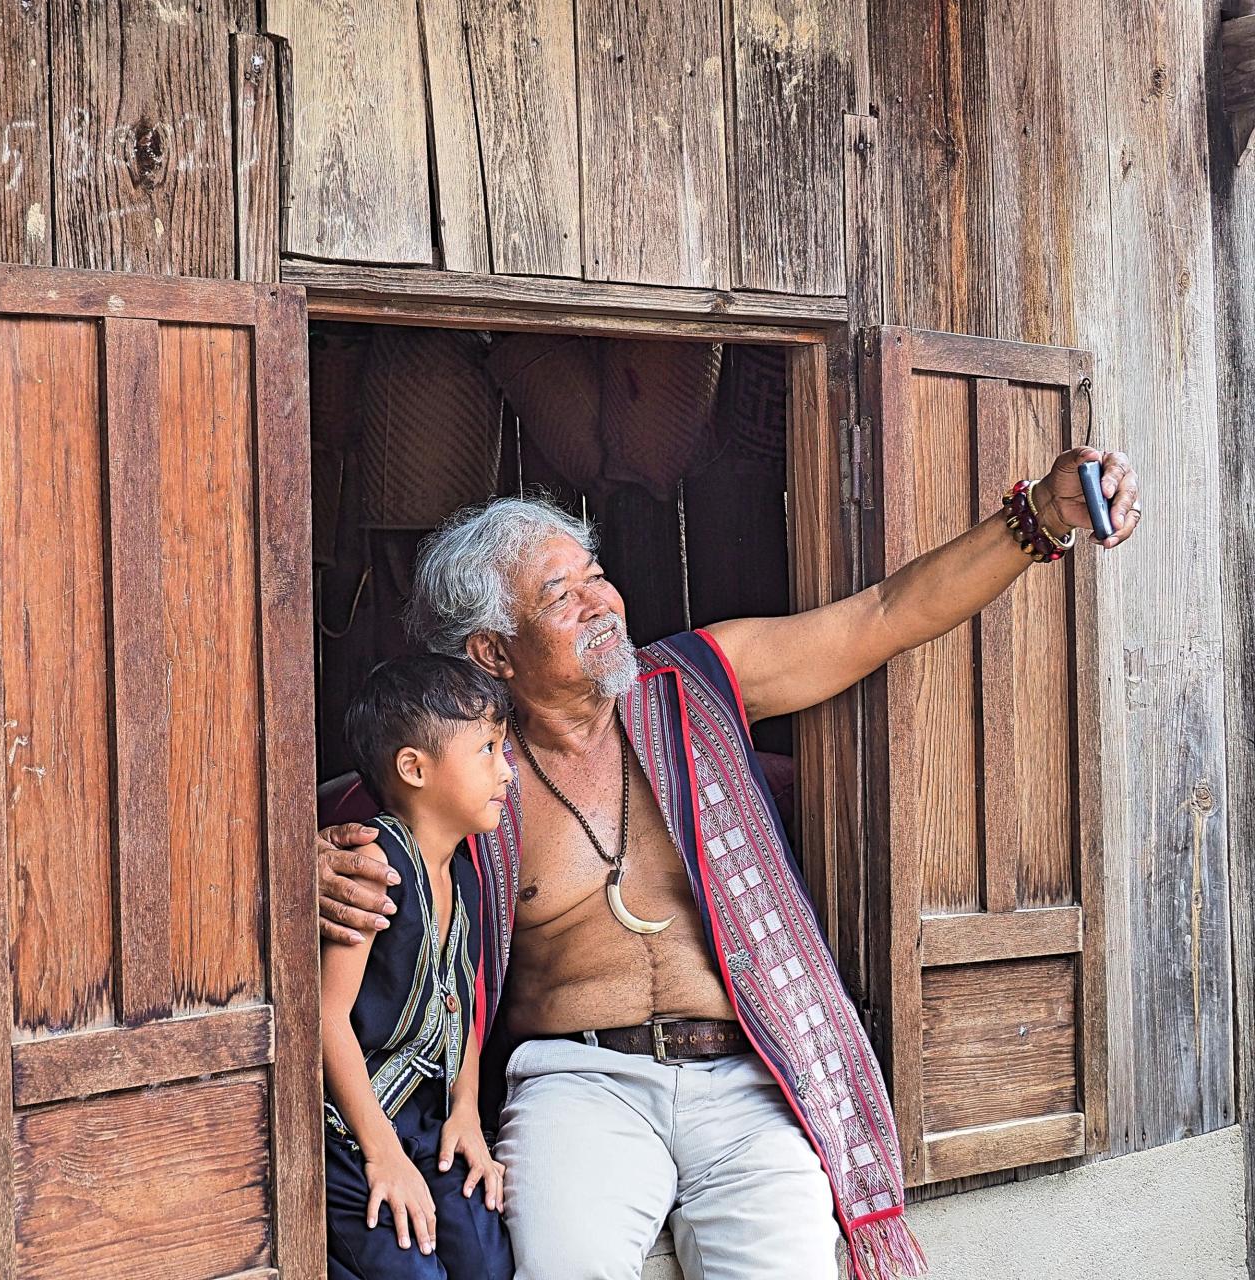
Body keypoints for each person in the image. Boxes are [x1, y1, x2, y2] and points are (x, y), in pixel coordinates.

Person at [314, 448, 1142, 1280]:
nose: (600, 601)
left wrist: (1040, 514)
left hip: (747, 1079)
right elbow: (307, 848)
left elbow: (886, 613)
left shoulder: (700, 682)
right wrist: (311, 870)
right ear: (494, 653)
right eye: (559, 597)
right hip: (578, 1083)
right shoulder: (461, 781)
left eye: (595, 574)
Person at [322, 654, 518, 1280]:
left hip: (423, 1118)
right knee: (411, 1269)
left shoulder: (463, 871)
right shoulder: (374, 867)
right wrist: (382, 1155)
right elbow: (325, 1018)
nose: (507, 772)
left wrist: (466, 1113)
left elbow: (463, 1005)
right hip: (349, 1129)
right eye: (488, 749)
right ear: (414, 768)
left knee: (486, 1258)